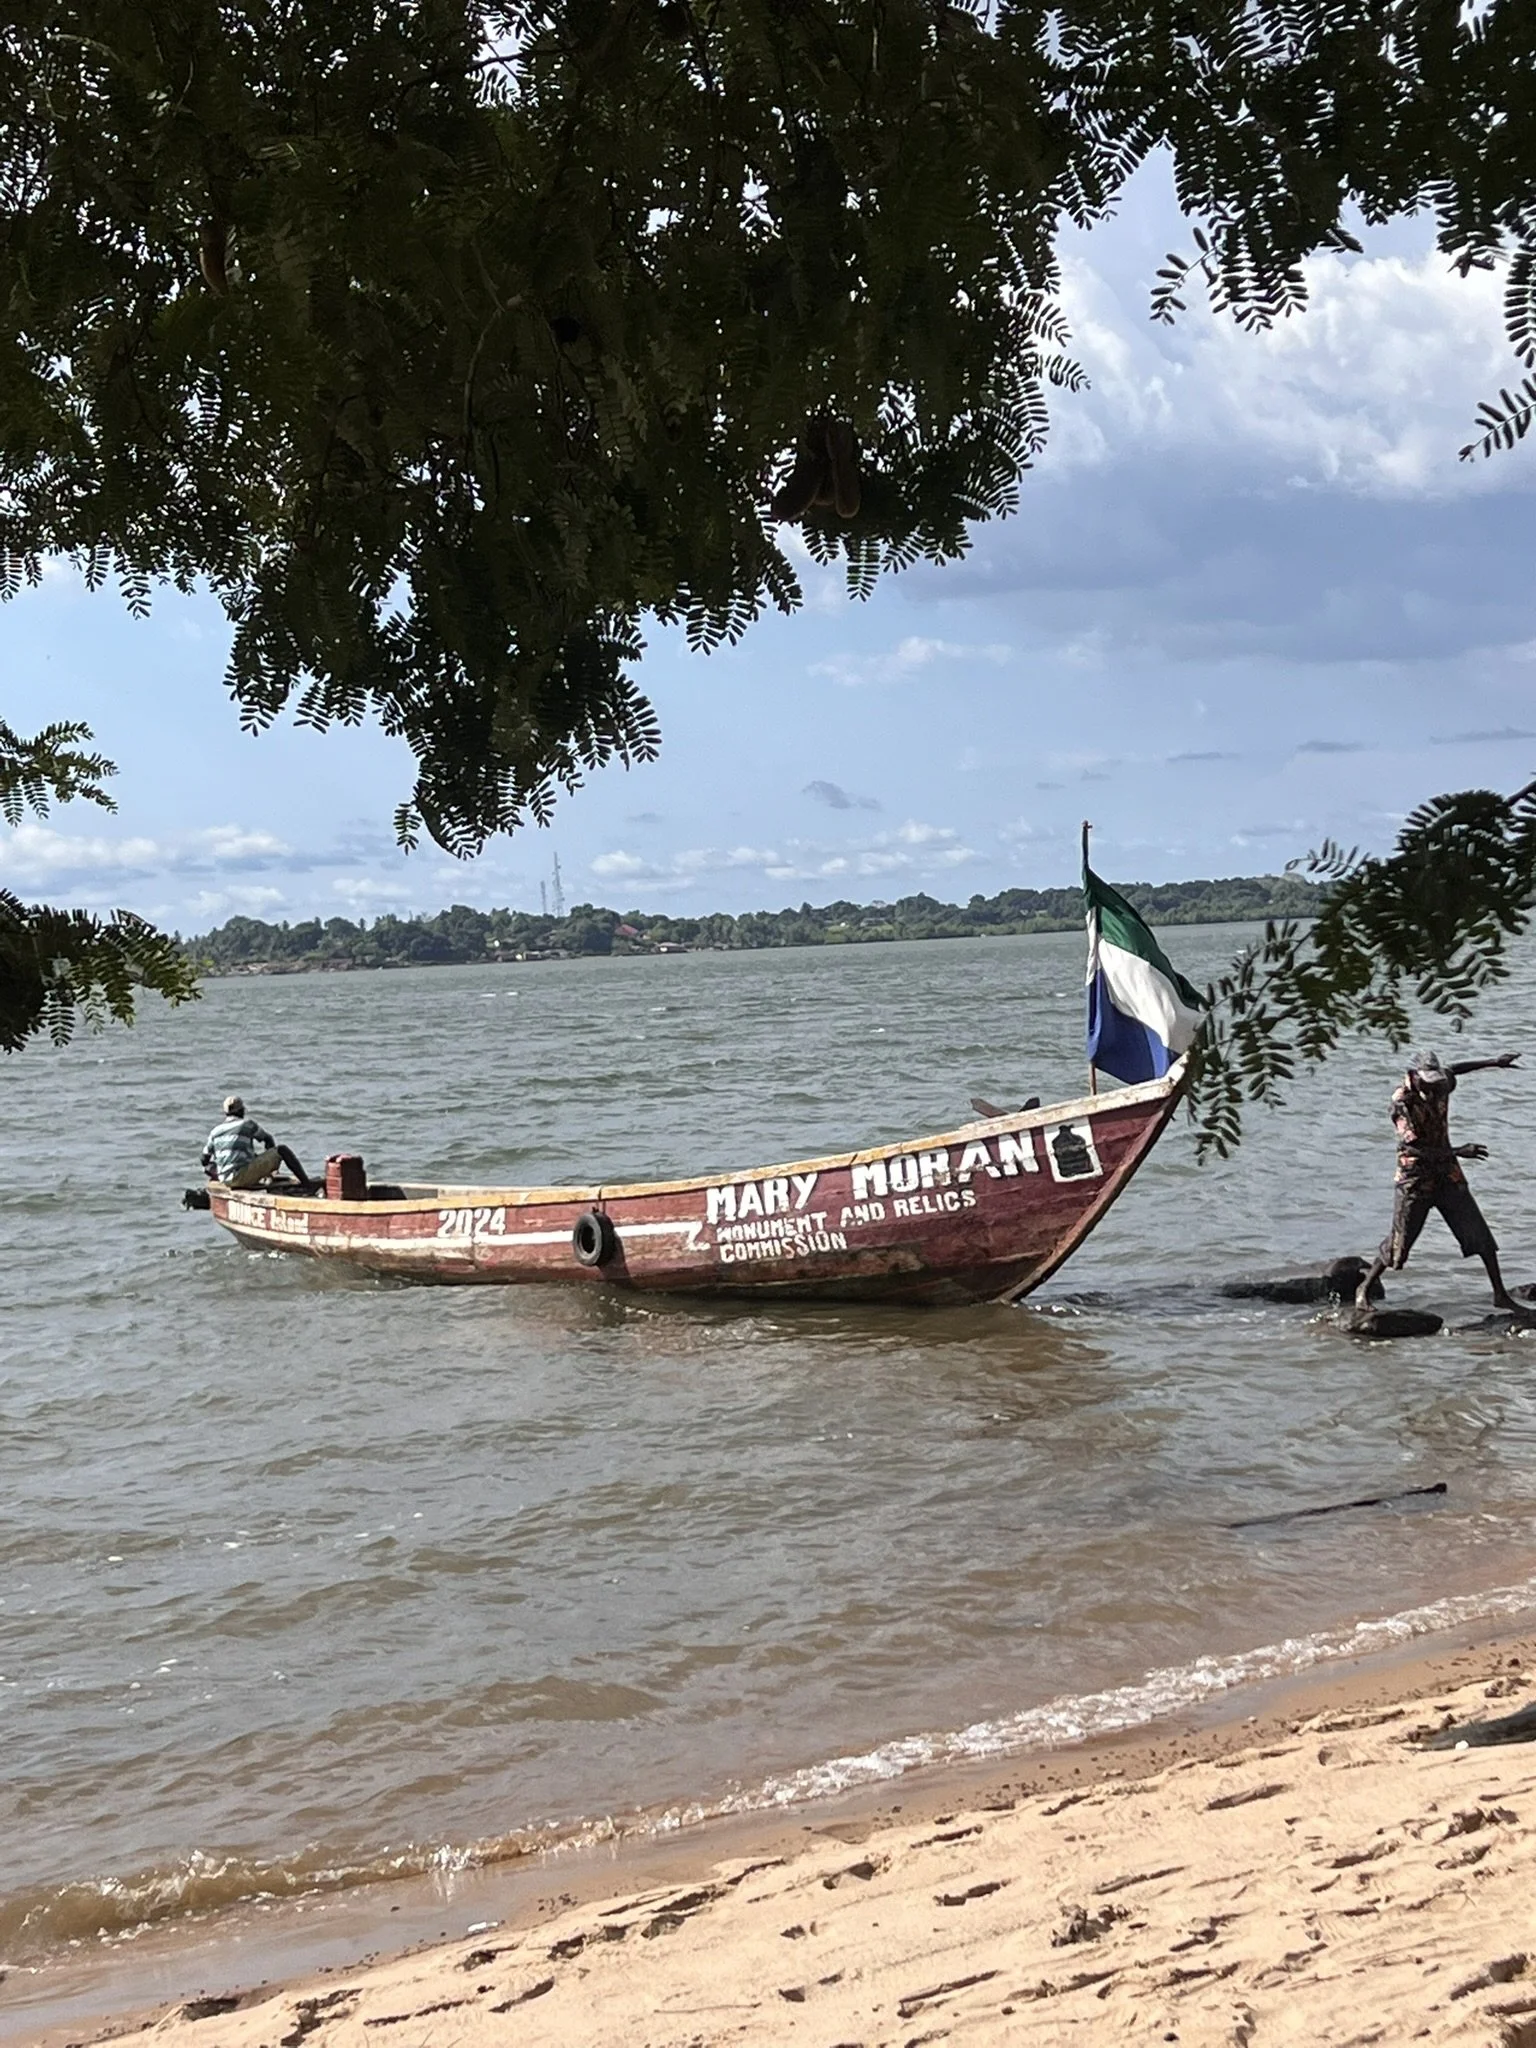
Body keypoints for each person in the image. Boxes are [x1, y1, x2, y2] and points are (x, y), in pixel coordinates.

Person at [1356, 1050, 1526, 1312]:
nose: (1435, 1091)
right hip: (1414, 1177)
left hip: (1447, 1173)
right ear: (1414, 1077)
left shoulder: (1442, 1081)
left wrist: (1494, 1062)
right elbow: (1412, 1149)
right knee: (1401, 1241)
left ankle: (1500, 1294)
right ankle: (1364, 1289)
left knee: (1479, 1234)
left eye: (1437, 1084)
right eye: (1428, 1084)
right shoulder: (1402, 1103)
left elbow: (1455, 1068)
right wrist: (1459, 1151)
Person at [201, 1096, 315, 1191]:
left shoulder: (215, 1131)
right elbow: (267, 1139)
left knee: (248, 1156)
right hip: (241, 1177)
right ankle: (307, 1185)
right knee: (282, 1150)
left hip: (225, 1179)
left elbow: (204, 1159)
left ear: (225, 1113)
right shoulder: (247, 1124)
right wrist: (271, 1167)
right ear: (242, 1111)